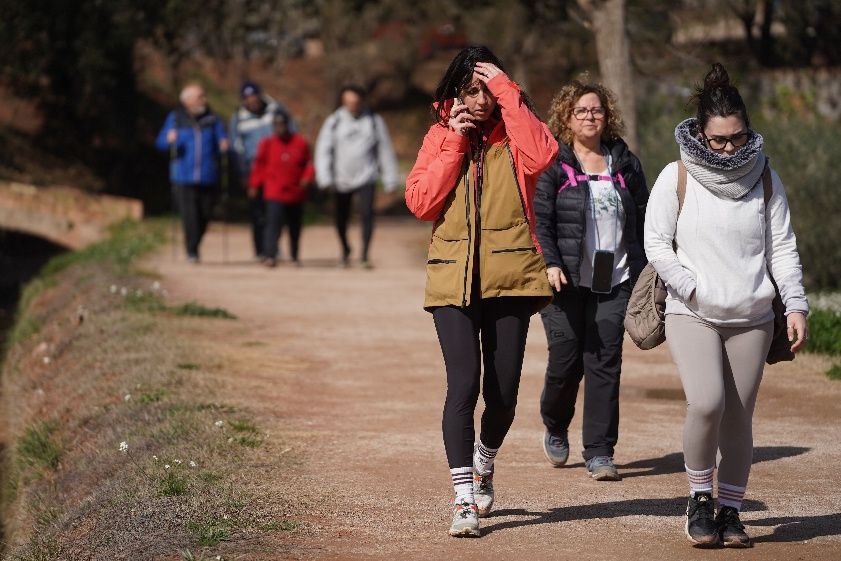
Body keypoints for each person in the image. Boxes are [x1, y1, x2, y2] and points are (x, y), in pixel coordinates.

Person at [644, 63, 809, 548]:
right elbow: (656, 243)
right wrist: (690, 287)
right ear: (700, 134)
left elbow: (782, 247)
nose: (729, 148)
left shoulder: (765, 179)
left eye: (737, 138)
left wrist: (794, 304)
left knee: (739, 415)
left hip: (752, 315)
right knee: (707, 401)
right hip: (691, 310)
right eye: (718, 140)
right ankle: (699, 499)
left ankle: (731, 510)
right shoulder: (676, 177)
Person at [405, 45, 557, 537]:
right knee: (463, 385)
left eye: (486, 90)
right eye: (469, 90)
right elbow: (421, 202)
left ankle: (485, 458)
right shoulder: (438, 136)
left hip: (510, 279)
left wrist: (510, 94)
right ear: (453, 94)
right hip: (452, 278)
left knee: (504, 395)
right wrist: (452, 142)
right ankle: (464, 497)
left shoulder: (516, 134)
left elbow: (544, 158)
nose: (478, 100)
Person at [533, 79, 648, 481]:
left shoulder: (625, 163)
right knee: (565, 362)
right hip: (563, 283)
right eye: (581, 110)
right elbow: (540, 220)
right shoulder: (555, 164)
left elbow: (644, 216)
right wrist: (550, 261)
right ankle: (554, 422)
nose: (589, 117)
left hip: (614, 280)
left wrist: (645, 267)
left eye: (596, 110)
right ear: (567, 117)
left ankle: (600, 451)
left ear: (607, 115)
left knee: (603, 362)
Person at [314, 84, 399, 268]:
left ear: (362, 101)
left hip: (366, 177)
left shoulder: (374, 121)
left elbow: (385, 151)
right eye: (348, 102)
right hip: (340, 178)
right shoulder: (334, 121)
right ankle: (345, 249)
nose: (352, 105)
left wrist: (390, 179)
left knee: (367, 215)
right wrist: (324, 176)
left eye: (355, 102)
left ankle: (364, 255)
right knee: (340, 218)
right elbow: (323, 149)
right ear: (343, 101)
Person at [156, 83, 229, 262]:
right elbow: (161, 143)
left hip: (207, 175)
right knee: (190, 215)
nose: (204, 100)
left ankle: (195, 244)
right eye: (199, 97)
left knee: (205, 214)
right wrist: (169, 139)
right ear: (187, 101)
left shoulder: (212, 119)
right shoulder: (175, 119)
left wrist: (224, 145)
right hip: (183, 176)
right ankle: (191, 251)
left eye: (203, 96)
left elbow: (223, 140)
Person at [230, 80, 298, 260]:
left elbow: (293, 136)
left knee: (275, 212)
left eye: (254, 97)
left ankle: (272, 249)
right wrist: (242, 173)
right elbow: (236, 147)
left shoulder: (277, 110)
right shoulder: (238, 117)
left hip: (277, 171)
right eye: (247, 98)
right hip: (253, 170)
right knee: (257, 212)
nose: (252, 101)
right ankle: (261, 249)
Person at [249, 109, 314, 267]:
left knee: (295, 226)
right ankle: (270, 255)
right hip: (274, 191)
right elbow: (259, 166)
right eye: (276, 125)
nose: (280, 128)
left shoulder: (300, 142)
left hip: (295, 192)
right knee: (273, 225)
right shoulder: (267, 143)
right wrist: (254, 184)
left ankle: (294, 255)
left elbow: (309, 164)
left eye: (282, 124)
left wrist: (307, 178)